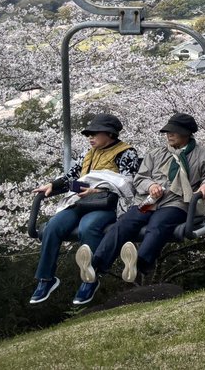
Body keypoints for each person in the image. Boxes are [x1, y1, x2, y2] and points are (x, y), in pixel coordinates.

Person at [73, 112, 205, 304]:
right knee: (124, 224)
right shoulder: (156, 153)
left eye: (174, 132)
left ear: (186, 133)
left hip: (177, 201)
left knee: (158, 225)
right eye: (167, 132)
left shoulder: (201, 154)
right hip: (149, 201)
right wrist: (151, 186)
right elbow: (140, 178)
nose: (169, 135)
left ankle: (139, 263)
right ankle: (95, 266)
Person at [29, 113, 140, 305]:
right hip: (80, 201)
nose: (90, 137)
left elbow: (128, 185)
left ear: (110, 134)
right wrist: (53, 185)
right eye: (89, 134)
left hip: (105, 204)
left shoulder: (126, 153)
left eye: (95, 133)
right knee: (53, 226)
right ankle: (46, 278)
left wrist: (97, 190)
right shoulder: (88, 153)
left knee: (88, 227)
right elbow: (72, 177)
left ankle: (90, 278)